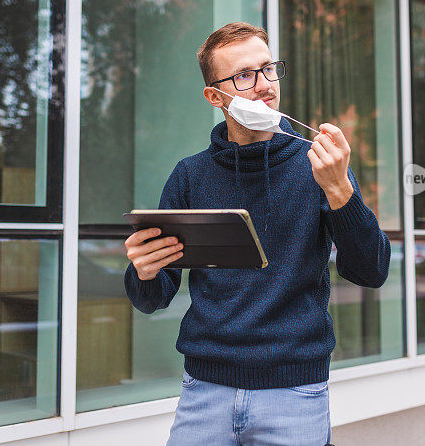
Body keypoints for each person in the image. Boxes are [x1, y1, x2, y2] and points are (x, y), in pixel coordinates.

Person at [123, 22, 391, 445]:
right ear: (215, 97)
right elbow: (152, 299)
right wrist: (143, 270)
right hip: (203, 391)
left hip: (295, 393)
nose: (265, 85)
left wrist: (342, 193)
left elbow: (371, 271)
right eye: (245, 75)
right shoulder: (190, 175)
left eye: (269, 69)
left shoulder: (319, 166)